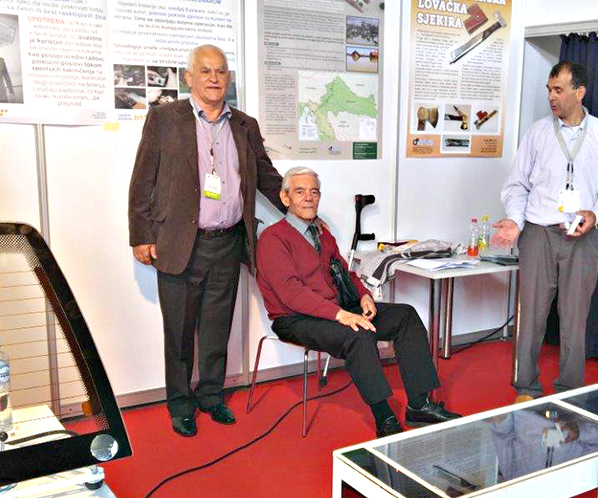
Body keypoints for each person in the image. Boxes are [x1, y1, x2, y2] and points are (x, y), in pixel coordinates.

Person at [128, 44, 285, 437]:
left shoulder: (245, 125)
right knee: (179, 333)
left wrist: (296, 203)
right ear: (189, 77)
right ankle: (181, 404)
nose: (214, 78)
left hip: (228, 243)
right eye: (205, 71)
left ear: (228, 78)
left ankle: (211, 397)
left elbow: (266, 176)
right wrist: (141, 234)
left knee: (218, 329)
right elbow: (143, 179)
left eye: (221, 71)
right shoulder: (165, 119)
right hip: (180, 243)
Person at [256, 166, 462, 438]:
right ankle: (385, 417)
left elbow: (346, 272)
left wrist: (364, 295)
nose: (309, 197)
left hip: (335, 308)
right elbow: (291, 293)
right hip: (294, 318)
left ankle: (419, 406)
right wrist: (340, 315)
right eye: (300, 191)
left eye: (314, 192)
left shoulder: (322, 234)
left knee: (405, 316)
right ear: (285, 198)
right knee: (358, 334)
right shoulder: (273, 238)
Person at [492, 61, 598, 399]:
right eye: (549, 90)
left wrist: (596, 214)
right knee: (531, 315)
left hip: (582, 236)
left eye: (558, 90)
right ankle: (525, 386)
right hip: (539, 232)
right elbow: (517, 185)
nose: (551, 97)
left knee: (575, 317)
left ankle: (570, 389)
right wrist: (515, 220)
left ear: (579, 92)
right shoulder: (538, 133)